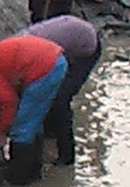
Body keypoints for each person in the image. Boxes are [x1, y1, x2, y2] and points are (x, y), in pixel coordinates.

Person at [0, 31, 69, 184]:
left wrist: (1, 135)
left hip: (44, 67)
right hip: (51, 59)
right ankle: (34, 173)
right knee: (33, 122)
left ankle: (18, 179)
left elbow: (8, 102)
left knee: (21, 130)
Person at [23, 12, 101, 166]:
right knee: (47, 95)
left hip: (86, 47)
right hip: (67, 39)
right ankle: (50, 131)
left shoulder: (31, 52)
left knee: (59, 101)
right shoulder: (17, 47)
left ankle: (67, 155)